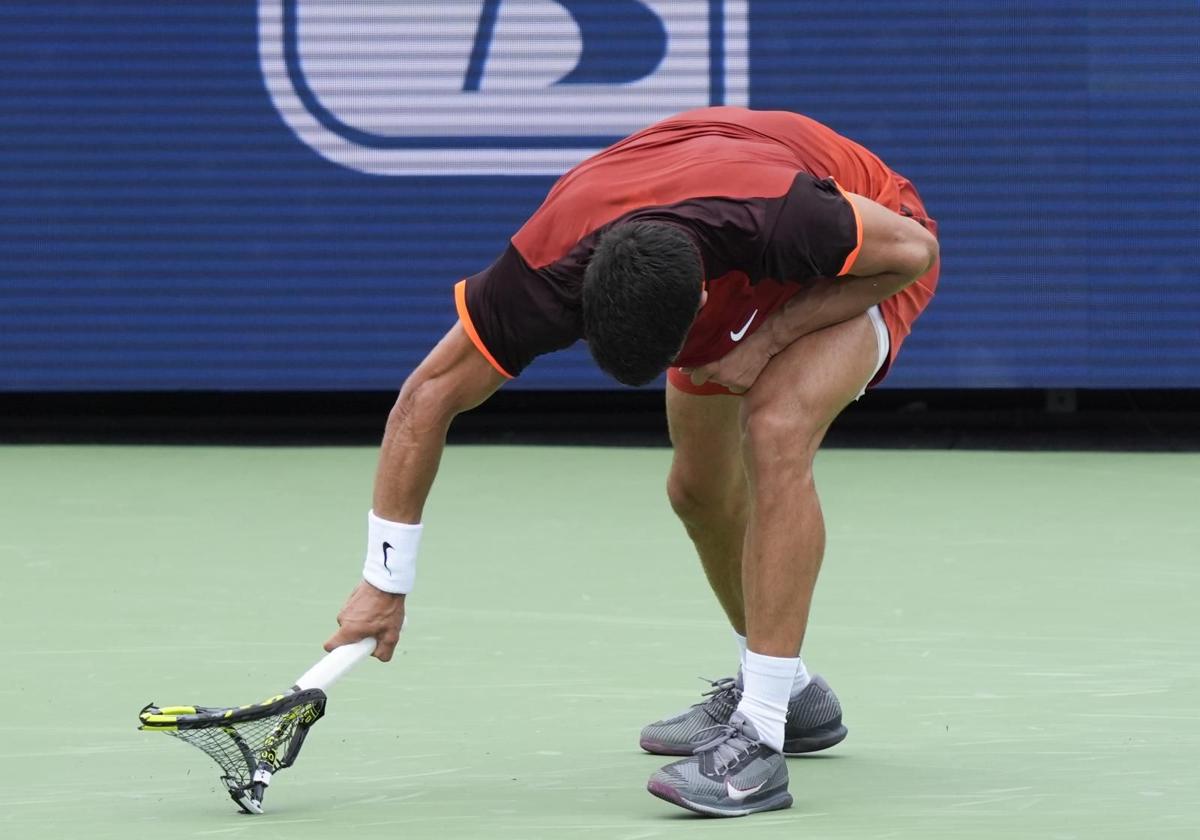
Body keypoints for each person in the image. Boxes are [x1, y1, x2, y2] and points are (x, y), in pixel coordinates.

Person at [323, 106, 940, 817]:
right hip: (718, 232)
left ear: (703, 298)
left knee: (774, 429)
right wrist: (383, 582)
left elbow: (912, 252)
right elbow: (426, 397)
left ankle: (761, 741)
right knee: (698, 490)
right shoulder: (545, 270)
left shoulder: (789, 217)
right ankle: (790, 690)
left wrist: (769, 340)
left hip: (872, 244)